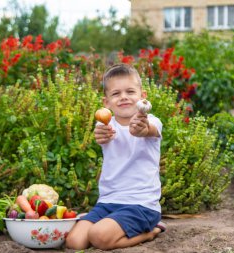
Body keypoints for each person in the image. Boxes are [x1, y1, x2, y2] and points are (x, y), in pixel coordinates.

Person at [65, 63, 165, 250]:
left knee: (98, 237)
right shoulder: (105, 126)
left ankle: (152, 231)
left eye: (130, 91)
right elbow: (101, 135)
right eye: (116, 94)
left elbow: (148, 130)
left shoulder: (150, 121)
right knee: (74, 242)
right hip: (107, 202)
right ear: (106, 102)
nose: (124, 97)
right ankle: (111, 226)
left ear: (142, 96)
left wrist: (142, 129)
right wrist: (100, 136)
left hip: (141, 205)